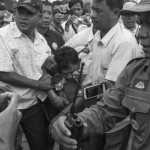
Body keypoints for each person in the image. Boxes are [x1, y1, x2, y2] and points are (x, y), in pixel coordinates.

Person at [50, 0, 150, 150]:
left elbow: (107, 90)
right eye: (141, 24)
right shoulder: (135, 70)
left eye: (99, 11)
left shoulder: (125, 42)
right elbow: (108, 107)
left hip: (116, 127)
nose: (142, 33)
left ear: (115, 13)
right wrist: (76, 123)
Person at [0, 0, 54, 150]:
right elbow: (3, 74)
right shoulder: (4, 36)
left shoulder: (41, 40)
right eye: (20, 12)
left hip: (33, 103)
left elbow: (44, 68)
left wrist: (50, 67)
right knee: (7, 146)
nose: (23, 17)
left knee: (40, 145)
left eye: (29, 13)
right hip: (8, 104)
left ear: (40, 16)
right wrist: (38, 84)